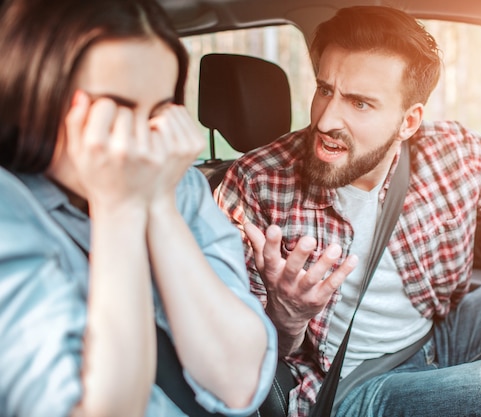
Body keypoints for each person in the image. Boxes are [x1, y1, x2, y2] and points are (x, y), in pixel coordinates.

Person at [215, 5, 481, 417]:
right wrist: (286, 315)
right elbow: (236, 362)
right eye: (325, 90)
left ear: (409, 121)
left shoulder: (452, 153)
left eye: (359, 103)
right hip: (350, 387)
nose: (325, 120)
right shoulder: (255, 184)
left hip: (440, 337)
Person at [0, 0, 277, 416]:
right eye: (116, 111)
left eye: (158, 114)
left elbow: (239, 383)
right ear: (36, 93)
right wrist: (118, 208)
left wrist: (158, 203)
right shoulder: (11, 209)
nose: (144, 145)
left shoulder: (173, 179)